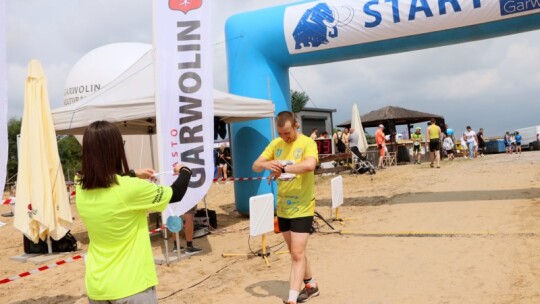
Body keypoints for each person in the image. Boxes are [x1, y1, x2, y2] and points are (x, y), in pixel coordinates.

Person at [76, 120, 192, 304]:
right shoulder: (130, 189)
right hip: (132, 286)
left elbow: (106, 179)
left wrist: (133, 173)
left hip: (97, 287)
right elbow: (176, 193)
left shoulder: (80, 187)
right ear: (115, 150)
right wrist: (185, 171)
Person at [252, 111, 319, 304]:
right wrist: (268, 165)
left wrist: (284, 168)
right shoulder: (276, 144)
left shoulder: (308, 143)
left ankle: (291, 298)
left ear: (296, 126)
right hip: (283, 207)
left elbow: (309, 165)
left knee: (297, 254)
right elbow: (255, 165)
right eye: (280, 133)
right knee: (296, 252)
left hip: (303, 206)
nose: (284, 137)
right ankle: (311, 285)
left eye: (287, 133)